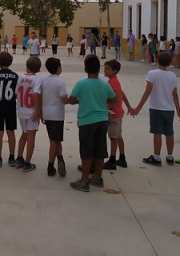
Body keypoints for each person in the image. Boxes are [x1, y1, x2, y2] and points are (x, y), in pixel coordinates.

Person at [68, 54, 117, 192]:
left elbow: (71, 100)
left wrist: (80, 100)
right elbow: (114, 99)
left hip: (87, 121)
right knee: (100, 150)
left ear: (85, 69)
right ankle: (97, 177)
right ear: (99, 69)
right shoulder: (104, 84)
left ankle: (84, 181)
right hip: (102, 120)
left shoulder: (81, 84)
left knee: (86, 150)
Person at [130, 52, 180, 166]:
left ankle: (157, 156)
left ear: (157, 60)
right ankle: (170, 155)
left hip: (156, 107)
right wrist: (179, 112)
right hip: (169, 108)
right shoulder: (172, 75)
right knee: (169, 132)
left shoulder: (152, 73)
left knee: (157, 132)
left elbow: (148, 91)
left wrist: (138, 108)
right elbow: (175, 94)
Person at [0, 52, 18, 167]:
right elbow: (16, 94)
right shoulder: (15, 76)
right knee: (11, 132)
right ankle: (11, 157)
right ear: (11, 62)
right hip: (10, 107)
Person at [40, 57, 68, 177]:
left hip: (47, 113)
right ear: (58, 68)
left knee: (56, 139)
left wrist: (41, 112)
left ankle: (60, 158)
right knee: (54, 141)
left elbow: (40, 97)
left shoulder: (44, 81)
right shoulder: (60, 82)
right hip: (57, 114)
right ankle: (50, 165)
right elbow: (64, 99)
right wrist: (76, 100)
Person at [103, 59, 130, 170]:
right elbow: (121, 94)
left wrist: (110, 111)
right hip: (119, 112)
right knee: (118, 135)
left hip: (114, 113)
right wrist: (128, 106)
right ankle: (122, 158)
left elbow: (115, 98)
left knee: (113, 137)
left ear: (114, 71)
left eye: (107, 69)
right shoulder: (115, 81)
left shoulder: (111, 82)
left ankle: (112, 160)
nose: (105, 71)